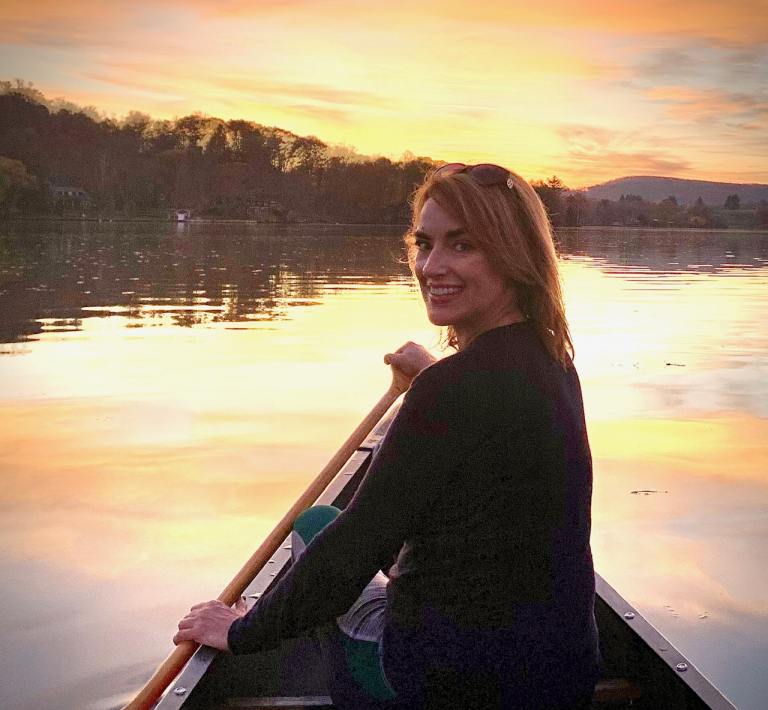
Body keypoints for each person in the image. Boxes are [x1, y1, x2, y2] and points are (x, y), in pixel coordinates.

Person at [174, 163, 601, 709]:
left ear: (514, 256)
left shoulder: (452, 390)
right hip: (564, 674)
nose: (431, 266)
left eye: (462, 245)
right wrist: (432, 377)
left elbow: (353, 551)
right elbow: (484, 416)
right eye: (424, 244)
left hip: (456, 686)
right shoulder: (552, 362)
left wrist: (241, 631)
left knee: (315, 528)